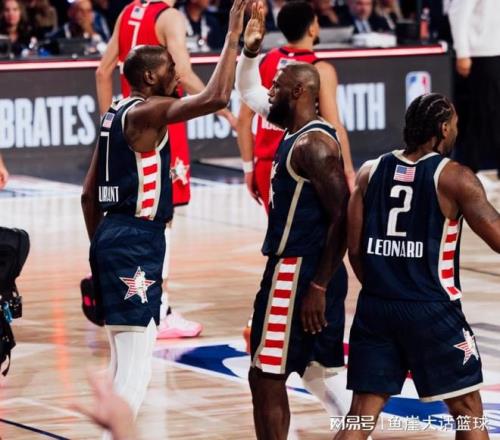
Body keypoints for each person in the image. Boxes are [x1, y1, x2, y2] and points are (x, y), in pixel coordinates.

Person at [81, 1, 246, 437]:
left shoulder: (114, 113)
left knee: (122, 364)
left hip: (111, 237)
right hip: (135, 241)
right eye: (171, 67)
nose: (178, 73)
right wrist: (232, 37)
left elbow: (87, 195)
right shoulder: (147, 112)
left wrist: (100, 251)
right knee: (136, 372)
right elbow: (216, 97)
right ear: (151, 78)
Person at [336, 93, 500, 439]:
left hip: (376, 307)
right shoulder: (455, 177)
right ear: (444, 129)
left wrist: (386, 287)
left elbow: (354, 248)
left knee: (361, 414)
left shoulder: (370, 171)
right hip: (431, 310)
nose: (456, 130)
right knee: (468, 411)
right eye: (454, 124)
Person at [236, 3, 350, 438]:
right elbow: (248, 91)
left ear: (300, 91)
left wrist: (318, 286)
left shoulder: (314, 146)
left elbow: (341, 217)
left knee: (265, 375)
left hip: (299, 272)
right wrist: (249, 51)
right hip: (300, 269)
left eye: (279, 85)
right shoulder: (290, 127)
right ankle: (359, 429)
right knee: (319, 373)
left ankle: (359, 427)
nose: (271, 90)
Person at [95, 0, 237, 339]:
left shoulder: (128, 10)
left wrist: (108, 125)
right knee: (161, 216)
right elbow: (183, 74)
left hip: (127, 118)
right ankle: (159, 307)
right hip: (160, 120)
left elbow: (101, 72)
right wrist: (222, 110)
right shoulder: (169, 16)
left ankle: (136, 297)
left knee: (130, 211)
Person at [237, 0, 355, 212]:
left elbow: (243, 120)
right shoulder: (320, 69)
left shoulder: (265, 60)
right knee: (311, 228)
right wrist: (348, 171)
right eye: (316, 22)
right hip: (306, 163)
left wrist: (248, 168)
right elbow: (334, 125)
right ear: (311, 28)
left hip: (266, 164)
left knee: (278, 228)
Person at [448, 0, 500, 182]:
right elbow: (458, 13)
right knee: (482, 114)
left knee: (487, 115)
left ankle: (468, 170)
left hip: (495, 51)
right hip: (482, 53)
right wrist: (462, 52)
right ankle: (467, 170)